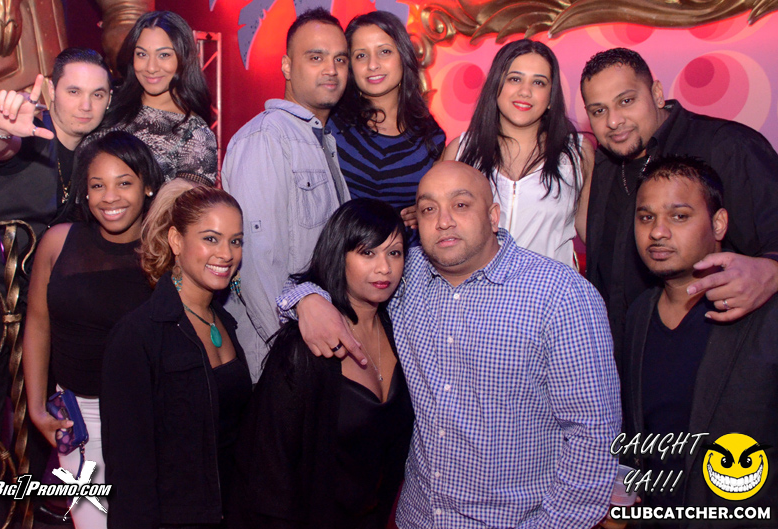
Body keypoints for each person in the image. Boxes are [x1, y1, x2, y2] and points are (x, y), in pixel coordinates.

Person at [279, 161, 621, 528]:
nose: (443, 221)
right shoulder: (401, 277)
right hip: (416, 518)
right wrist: (306, 300)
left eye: (460, 205)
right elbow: (321, 275)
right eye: (429, 209)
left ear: (493, 216)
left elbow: (594, 437)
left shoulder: (561, 296)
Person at [0, 46, 110, 521]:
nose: (85, 105)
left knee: (43, 428)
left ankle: (31, 513)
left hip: (44, 313)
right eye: (73, 91)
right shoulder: (27, 132)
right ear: (51, 90)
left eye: (98, 94)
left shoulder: (97, 158)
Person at [229, 198, 414, 528]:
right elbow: (269, 470)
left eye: (395, 253)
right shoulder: (305, 347)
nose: (385, 267)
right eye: (367, 253)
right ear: (338, 255)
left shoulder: (401, 330)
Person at [614, 156, 778, 527]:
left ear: (718, 223)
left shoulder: (763, 312)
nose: (657, 232)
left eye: (679, 216)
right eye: (646, 217)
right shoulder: (640, 313)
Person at [580, 47, 778, 353]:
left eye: (626, 101)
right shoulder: (603, 164)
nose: (614, 121)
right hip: (625, 359)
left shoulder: (726, 146)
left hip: (717, 354)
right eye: (598, 111)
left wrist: (771, 271)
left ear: (657, 93)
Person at [21, 130, 165, 528]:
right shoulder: (58, 242)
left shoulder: (165, 251)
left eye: (124, 183)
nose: (110, 197)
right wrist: (36, 407)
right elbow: (37, 324)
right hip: (79, 419)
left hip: (147, 418)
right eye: (98, 185)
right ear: (84, 191)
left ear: (148, 186)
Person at [101, 182, 251, 529]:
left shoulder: (225, 321)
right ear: (176, 241)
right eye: (211, 238)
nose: (226, 254)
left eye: (236, 241)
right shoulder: (138, 336)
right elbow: (129, 474)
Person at [222, 7, 351, 382]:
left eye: (340, 59)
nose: (331, 69)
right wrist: (287, 354)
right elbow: (256, 260)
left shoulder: (320, 140)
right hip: (280, 356)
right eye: (316, 57)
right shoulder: (267, 137)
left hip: (314, 346)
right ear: (287, 66)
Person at [441, 39, 593, 268]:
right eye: (515, 79)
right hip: (476, 288)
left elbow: (593, 233)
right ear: (496, 86)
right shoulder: (461, 150)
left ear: (551, 97)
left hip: (550, 288)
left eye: (539, 82)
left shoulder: (577, 153)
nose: (525, 91)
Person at [329, 11, 445, 213]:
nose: (372, 65)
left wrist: (424, 212)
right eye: (361, 55)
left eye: (384, 52)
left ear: (403, 56)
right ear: (350, 66)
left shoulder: (431, 137)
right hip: (339, 233)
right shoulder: (330, 124)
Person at [99, 10, 218, 185]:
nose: (151, 67)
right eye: (142, 54)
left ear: (183, 57)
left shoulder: (195, 134)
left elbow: (190, 202)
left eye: (164, 55)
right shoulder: (108, 101)